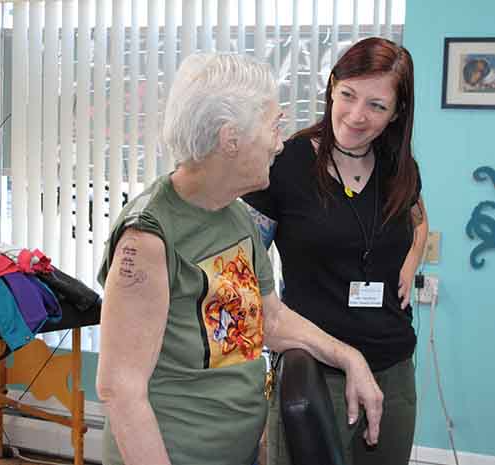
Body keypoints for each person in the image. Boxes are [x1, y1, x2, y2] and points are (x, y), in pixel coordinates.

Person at [95, 52, 383, 465]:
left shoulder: (234, 213)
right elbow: (120, 390)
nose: (279, 143)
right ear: (231, 139)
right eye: (273, 127)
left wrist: (348, 357)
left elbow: (269, 319)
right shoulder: (147, 239)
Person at [243, 37, 429, 465]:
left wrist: (413, 257)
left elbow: (420, 222)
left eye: (377, 105)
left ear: (397, 112)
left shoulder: (400, 170)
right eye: (348, 95)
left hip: (392, 371)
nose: (357, 115)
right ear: (331, 87)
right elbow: (242, 271)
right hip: (312, 372)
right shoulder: (285, 164)